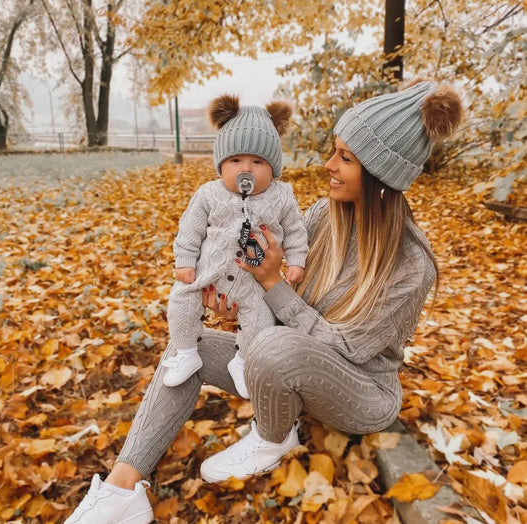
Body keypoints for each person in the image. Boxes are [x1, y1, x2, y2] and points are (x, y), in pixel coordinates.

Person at [64, 79, 462, 524]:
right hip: (286, 370)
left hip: (360, 391)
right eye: (334, 150)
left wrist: (272, 285)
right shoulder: (321, 216)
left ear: (381, 175)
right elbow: (270, 286)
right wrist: (239, 292)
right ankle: (121, 490)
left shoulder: (411, 265)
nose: (328, 164)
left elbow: (348, 350)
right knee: (186, 351)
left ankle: (272, 437)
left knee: (274, 347)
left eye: (345, 158)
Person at [161, 94, 308, 399]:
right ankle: (187, 352)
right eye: (236, 160)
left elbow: (296, 231)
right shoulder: (208, 194)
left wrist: (296, 261)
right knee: (180, 302)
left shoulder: (281, 196)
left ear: (274, 167)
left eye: (258, 162)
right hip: (207, 274)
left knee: (259, 320)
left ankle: (242, 362)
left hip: (254, 283)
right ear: (221, 164)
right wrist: (186, 260)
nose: (247, 169)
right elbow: (190, 228)